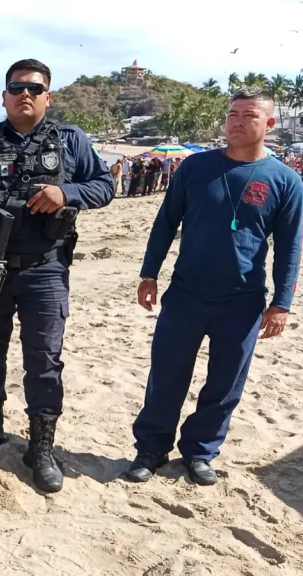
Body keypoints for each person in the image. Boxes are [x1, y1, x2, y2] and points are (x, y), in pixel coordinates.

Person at [0, 59, 114, 493]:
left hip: (45, 269)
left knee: (43, 360)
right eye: (17, 88)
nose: (25, 95)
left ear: (47, 97)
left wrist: (65, 192)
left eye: (34, 89)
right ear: (3, 96)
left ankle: (40, 446)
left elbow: (105, 186)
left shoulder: (71, 141)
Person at [124, 87, 303, 486]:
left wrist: (282, 303)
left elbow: (291, 247)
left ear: (269, 124)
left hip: (243, 301)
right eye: (233, 114)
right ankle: (151, 449)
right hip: (186, 293)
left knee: (225, 384)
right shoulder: (194, 168)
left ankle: (200, 452)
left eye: (249, 115)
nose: (237, 121)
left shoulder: (285, 181)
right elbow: (165, 223)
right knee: (167, 374)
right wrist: (149, 274)